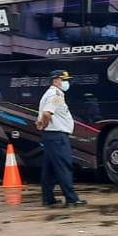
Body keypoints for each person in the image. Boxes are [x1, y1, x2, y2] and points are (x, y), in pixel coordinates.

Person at [36, 70, 86, 207]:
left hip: (51, 137)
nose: (66, 83)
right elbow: (47, 113)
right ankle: (72, 199)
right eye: (64, 80)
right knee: (64, 166)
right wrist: (44, 125)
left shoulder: (50, 93)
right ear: (56, 80)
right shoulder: (56, 95)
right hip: (57, 136)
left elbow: (44, 114)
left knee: (49, 168)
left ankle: (48, 198)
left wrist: (42, 125)